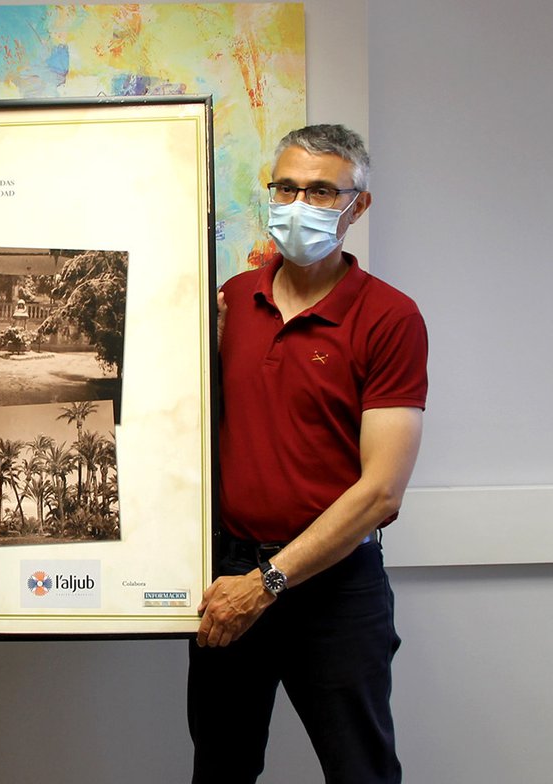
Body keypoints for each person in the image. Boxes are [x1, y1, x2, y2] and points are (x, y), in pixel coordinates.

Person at [189, 125, 428, 783]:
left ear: (357, 206)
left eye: (322, 191)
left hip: (334, 585)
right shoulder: (232, 302)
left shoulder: (387, 317)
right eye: (287, 187)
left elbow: (381, 492)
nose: (300, 204)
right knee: (220, 768)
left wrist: (267, 584)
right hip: (230, 568)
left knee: (360, 771)